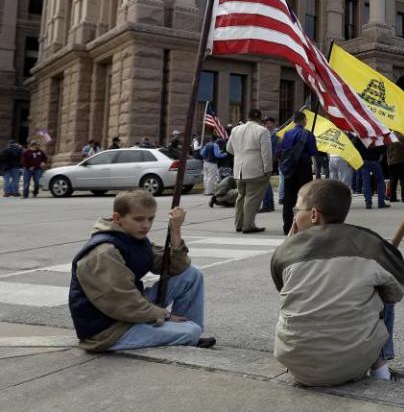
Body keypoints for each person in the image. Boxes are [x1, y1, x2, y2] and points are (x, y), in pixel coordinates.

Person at [272, 179, 404, 386]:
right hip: (355, 362)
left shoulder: (285, 251)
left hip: (298, 365)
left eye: (296, 209)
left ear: (314, 215)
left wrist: (289, 243)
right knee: (383, 290)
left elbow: (281, 287)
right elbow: (396, 292)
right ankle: (381, 370)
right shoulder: (370, 243)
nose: (294, 215)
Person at [68, 190, 214, 351]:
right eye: (138, 219)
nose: (146, 225)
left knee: (191, 274)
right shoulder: (104, 252)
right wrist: (164, 315)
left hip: (129, 311)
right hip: (108, 330)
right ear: (117, 218)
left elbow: (177, 267)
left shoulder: (134, 238)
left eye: (150, 218)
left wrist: (175, 231)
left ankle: (186, 333)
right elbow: (122, 302)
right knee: (190, 331)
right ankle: (187, 334)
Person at [226, 109, 273, 233]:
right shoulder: (262, 131)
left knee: (241, 196)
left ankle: (239, 224)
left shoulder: (236, 129)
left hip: (239, 169)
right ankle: (248, 225)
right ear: (260, 119)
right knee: (252, 198)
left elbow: (229, 149)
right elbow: (266, 152)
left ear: (248, 117)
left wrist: (240, 153)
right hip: (256, 169)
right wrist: (268, 169)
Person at [277, 111, 319, 234]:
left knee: (288, 198)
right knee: (304, 198)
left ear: (294, 121)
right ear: (304, 120)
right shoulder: (307, 134)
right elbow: (314, 152)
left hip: (289, 169)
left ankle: (287, 227)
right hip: (303, 168)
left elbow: (279, 152)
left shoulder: (286, 134)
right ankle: (302, 225)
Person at [356, 138, 388, 209]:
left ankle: (368, 203)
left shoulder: (360, 136)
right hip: (374, 160)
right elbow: (383, 148)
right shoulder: (375, 135)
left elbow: (356, 147)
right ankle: (381, 202)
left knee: (366, 182)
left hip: (364, 160)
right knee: (380, 181)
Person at [259, 117, 279, 213]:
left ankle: (267, 204)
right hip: (262, 161)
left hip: (268, 162)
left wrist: (270, 163)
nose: (269, 125)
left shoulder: (275, 136)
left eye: (271, 123)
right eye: (267, 123)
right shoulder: (263, 134)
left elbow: (275, 152)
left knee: (264, 184)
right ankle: (269, 204)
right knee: (266, 184)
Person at [385, 132, 404, 203]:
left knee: (393, 181)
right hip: (402, 161)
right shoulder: (402, 136)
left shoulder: (388, 137)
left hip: (391, 162)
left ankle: (392, 197)